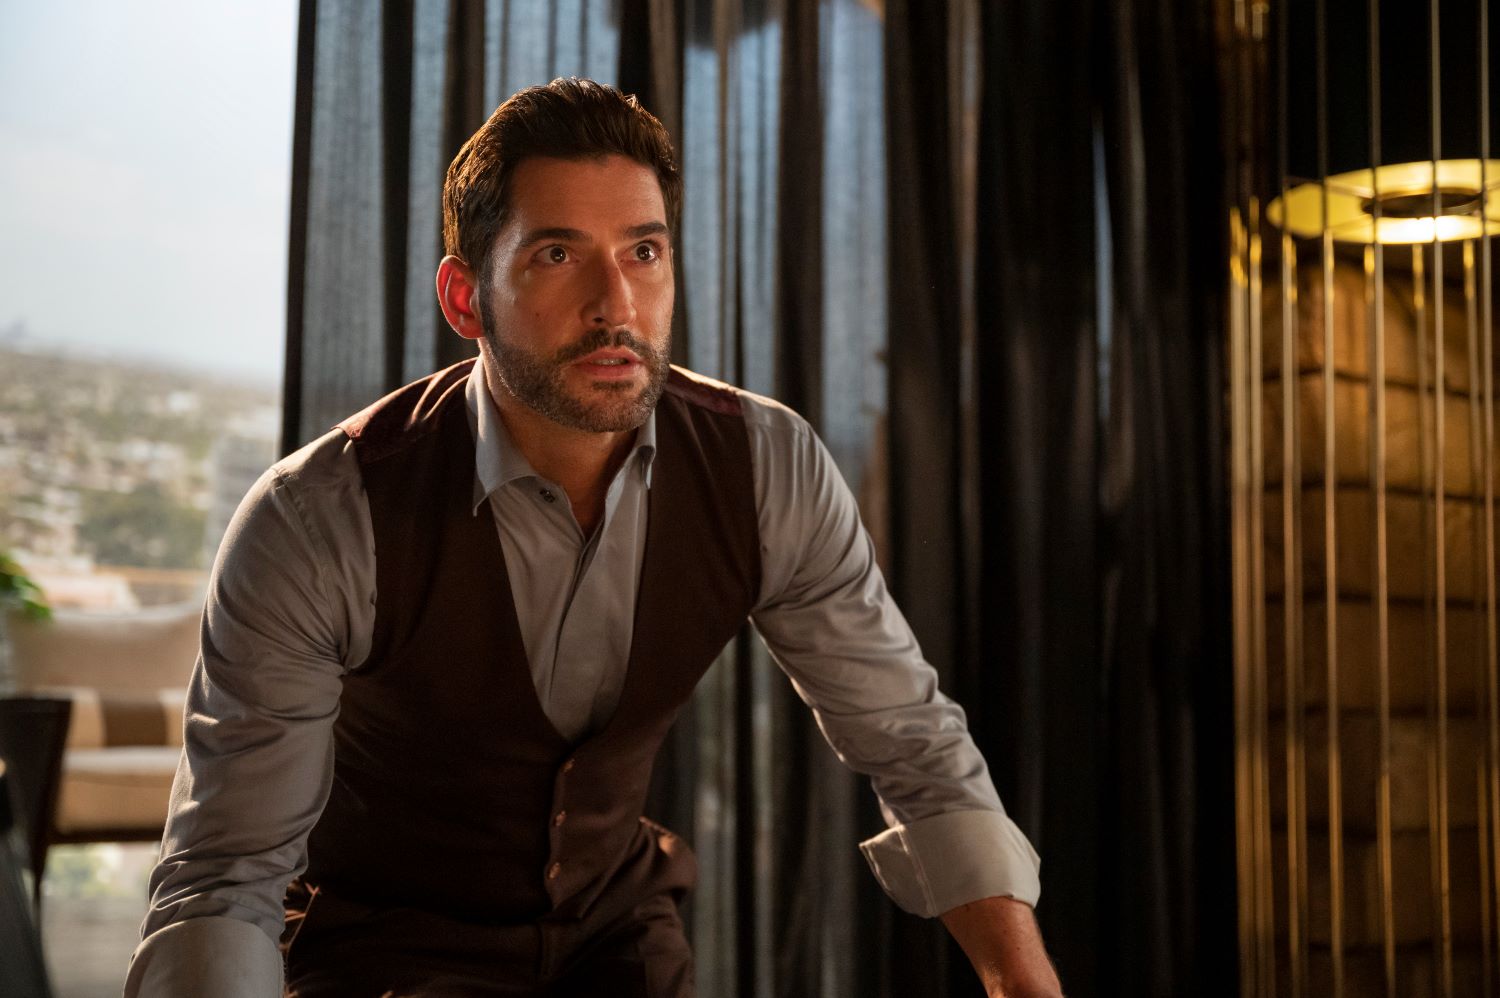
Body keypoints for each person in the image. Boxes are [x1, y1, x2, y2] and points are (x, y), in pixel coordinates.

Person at [124, 78, 1062, 998]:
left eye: (643, 251)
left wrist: (1020, 979)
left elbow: (909, 740)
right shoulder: (316, 518)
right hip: (380, 955)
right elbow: (226, 876)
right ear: (465, 299)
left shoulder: (767, 468)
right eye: (558, 255)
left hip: (617, 945)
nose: (617, 303)